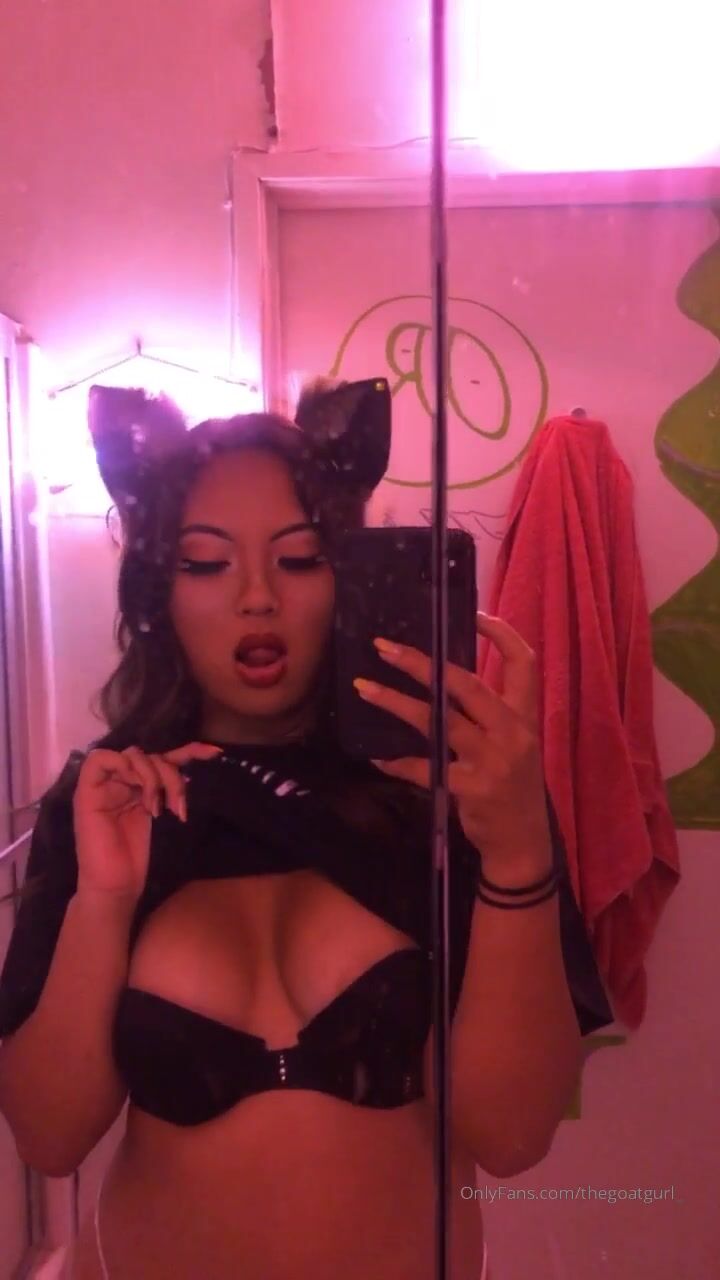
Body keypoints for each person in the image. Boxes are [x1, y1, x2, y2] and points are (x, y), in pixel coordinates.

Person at [0, 377, 613, 1280]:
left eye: (298, 559)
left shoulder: (449, 790)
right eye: (205, 563)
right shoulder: (110, 802)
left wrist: (519, 850)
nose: (257, 596)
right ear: (160, 589)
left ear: (348, 574)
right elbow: (50, 1136)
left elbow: (513, 1136)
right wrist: (106, 899)